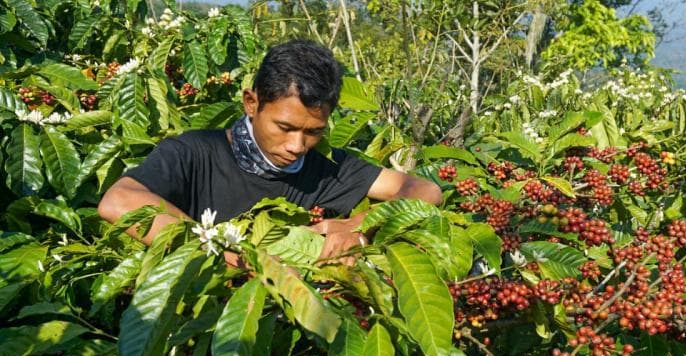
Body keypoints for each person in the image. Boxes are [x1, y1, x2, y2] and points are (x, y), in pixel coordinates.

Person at [98, 39, 442, 266]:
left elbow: (424, 190)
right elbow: (119, 201)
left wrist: (357, 226)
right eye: (285, 127)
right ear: (252, 103)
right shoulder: (195, 153)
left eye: (313, 132)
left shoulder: (325, 169)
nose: (297, 146)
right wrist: (234, 256)